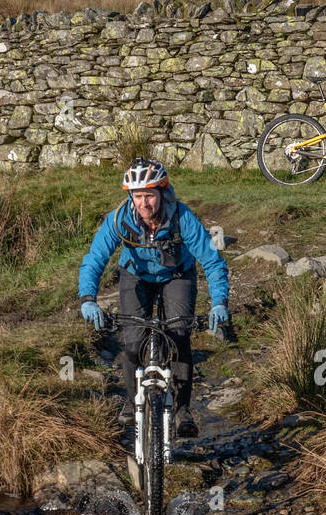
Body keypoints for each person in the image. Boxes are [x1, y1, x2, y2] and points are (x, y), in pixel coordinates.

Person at [77, 157, 230, 437]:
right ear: (130, 197)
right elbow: (95, 257)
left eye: (149, 195)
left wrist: (219, 302)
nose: (144, 203)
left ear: (162, 192)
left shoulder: (183, 218)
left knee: (179, 335)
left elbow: (212, 260)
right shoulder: (119, 219)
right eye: (138, 196)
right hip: (135, 276)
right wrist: (88, 298)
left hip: (177, 275)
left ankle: (183, 409)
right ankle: (130, 399)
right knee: (133, 341)